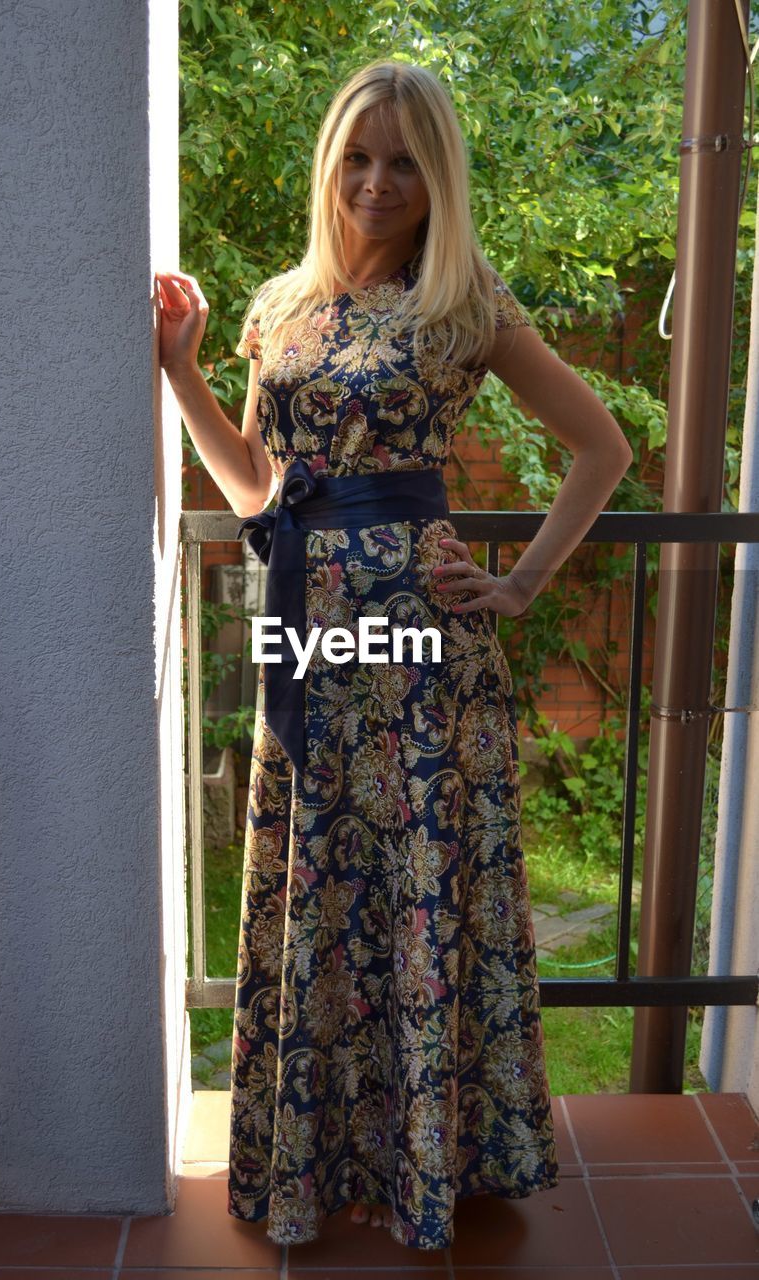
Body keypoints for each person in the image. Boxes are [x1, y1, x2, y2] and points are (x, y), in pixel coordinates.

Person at [155, 58, 632, 1253]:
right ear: (331, 164)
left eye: (406, 161)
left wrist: (519, 583)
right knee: (319, 886)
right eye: (359, 156)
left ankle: (432, 1166)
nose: (377, 182)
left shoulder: (465, 302)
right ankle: (319, 1159)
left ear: (438, 178)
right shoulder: (279, 306)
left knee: (416, 899)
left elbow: (601, 446)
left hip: (422, 658)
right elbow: (260, 488)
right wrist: (180, 370)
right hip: (308, 637)